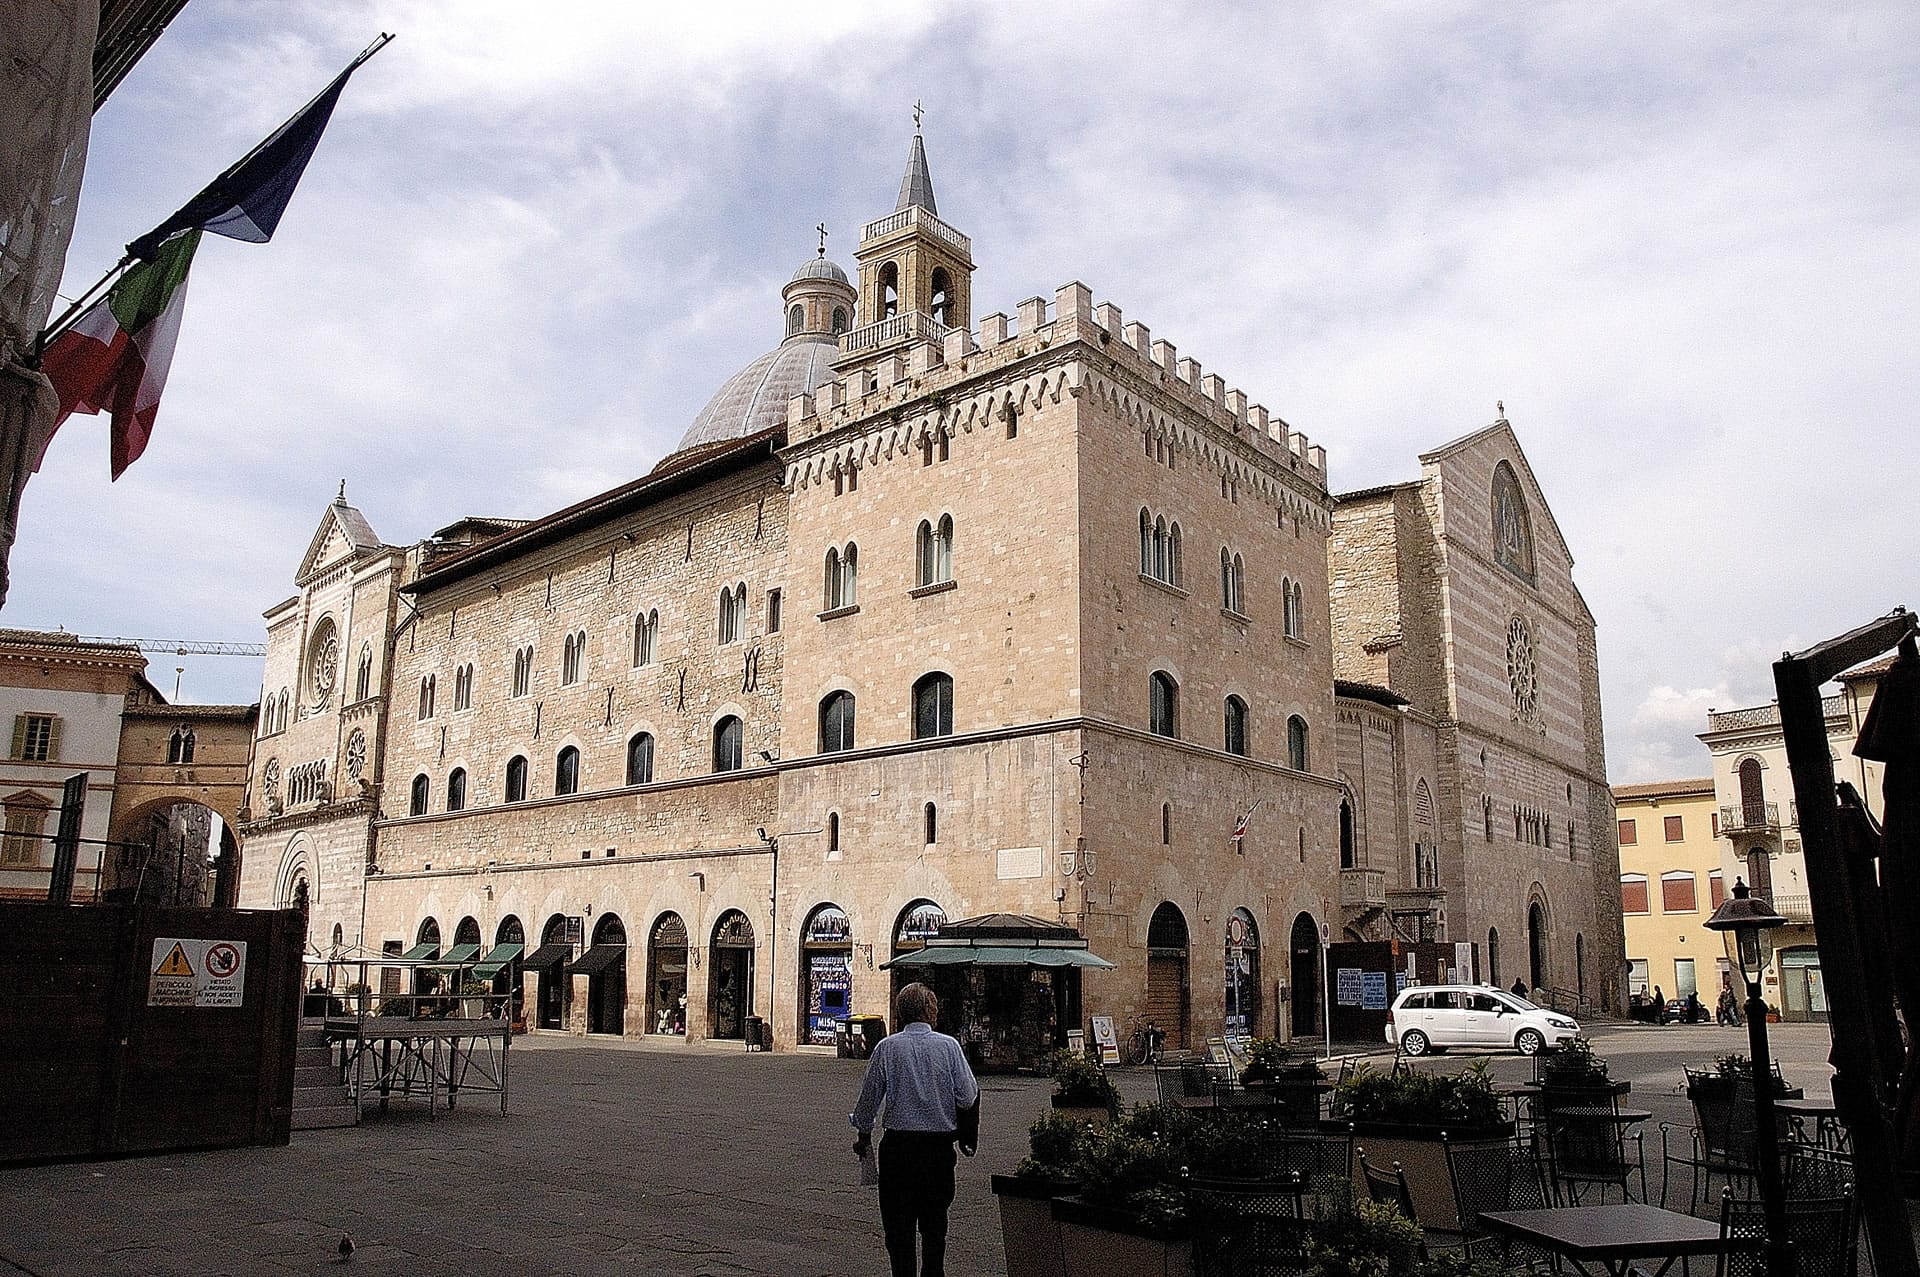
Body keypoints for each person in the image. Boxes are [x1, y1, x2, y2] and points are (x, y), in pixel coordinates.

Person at [851, 982, 980, 1277]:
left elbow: (868, 1099)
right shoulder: (949, 1047)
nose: (936, 1011)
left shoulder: (887, 1048)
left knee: (899, 1231)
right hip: (937, 1152)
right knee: (935, 1229)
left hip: (898, 1151)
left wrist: (863, 1133)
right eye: (933, 1006)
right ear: (926, 1010)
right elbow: (967, 1095)